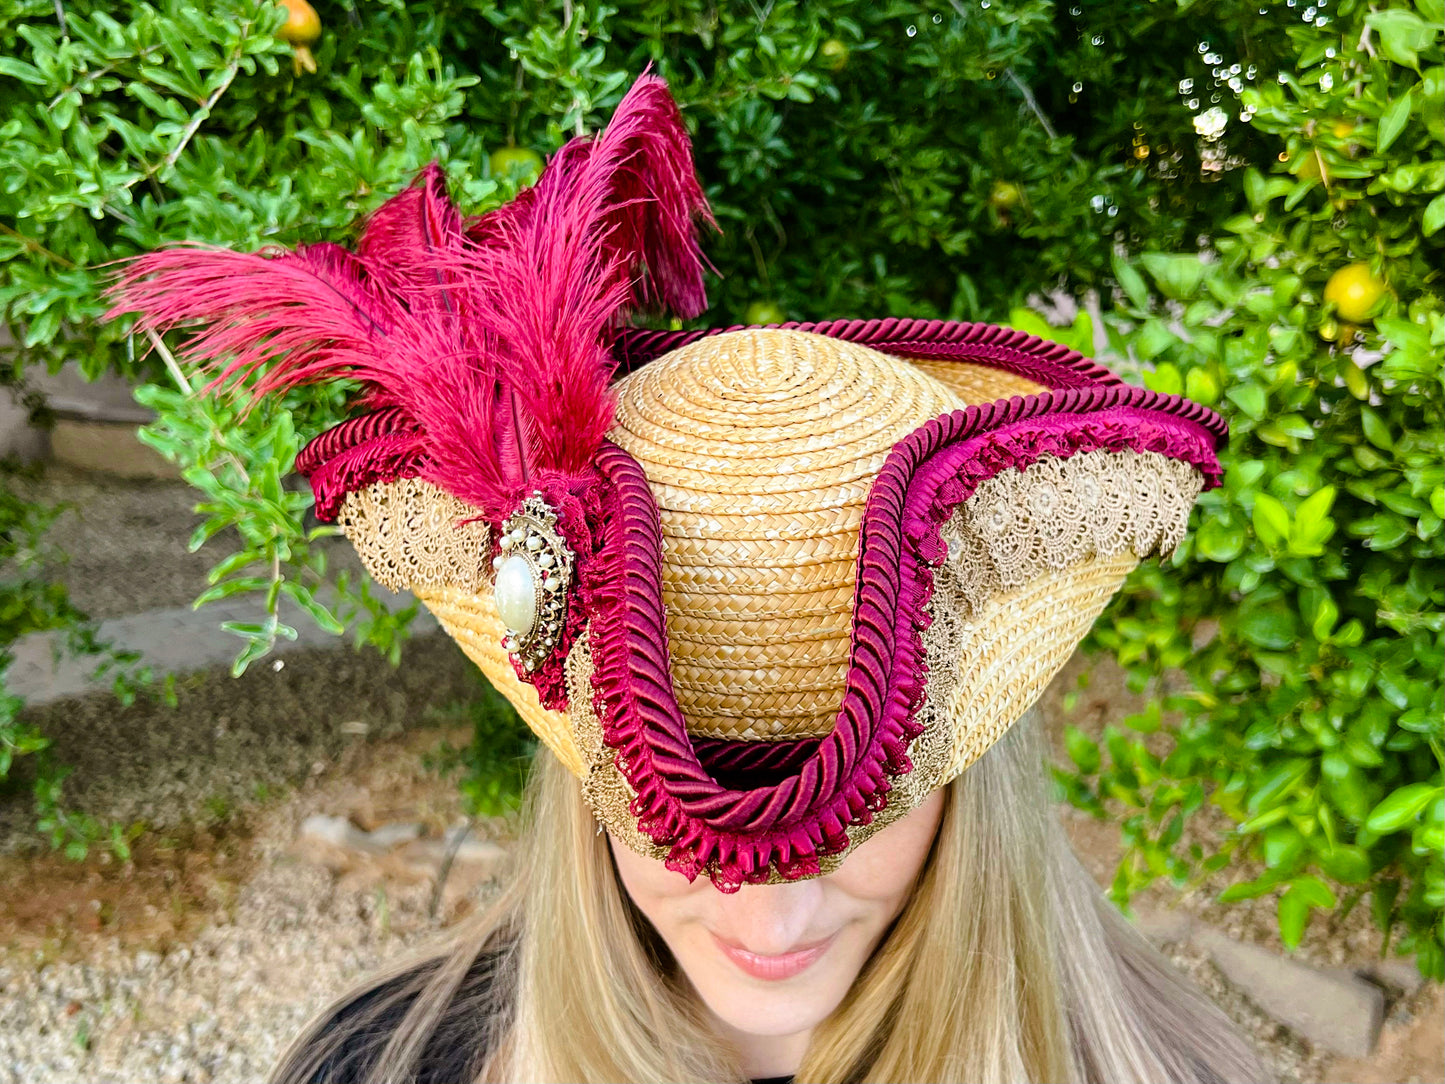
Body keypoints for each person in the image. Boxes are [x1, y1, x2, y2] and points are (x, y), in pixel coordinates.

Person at [110, 74, 1266, 1084]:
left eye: (856, 817)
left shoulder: (1172, 1067)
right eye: (691, 822)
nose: (772, 911)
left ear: (971, 769)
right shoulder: (381, 1063)